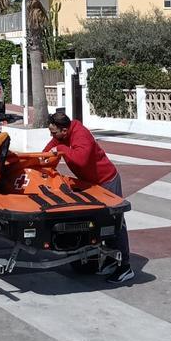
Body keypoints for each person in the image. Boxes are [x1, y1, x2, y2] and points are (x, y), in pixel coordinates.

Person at [45, 111, 134, 283]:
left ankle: (125, 267)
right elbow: (48, 151)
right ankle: (110, 260)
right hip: (90, 184)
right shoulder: (62, 136)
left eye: (54, 132)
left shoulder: (81, 134)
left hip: (106, 181)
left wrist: (62, 150)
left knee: (115, 222)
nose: (52, 136)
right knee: (100, 224)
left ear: (64, 130)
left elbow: (81, 160)